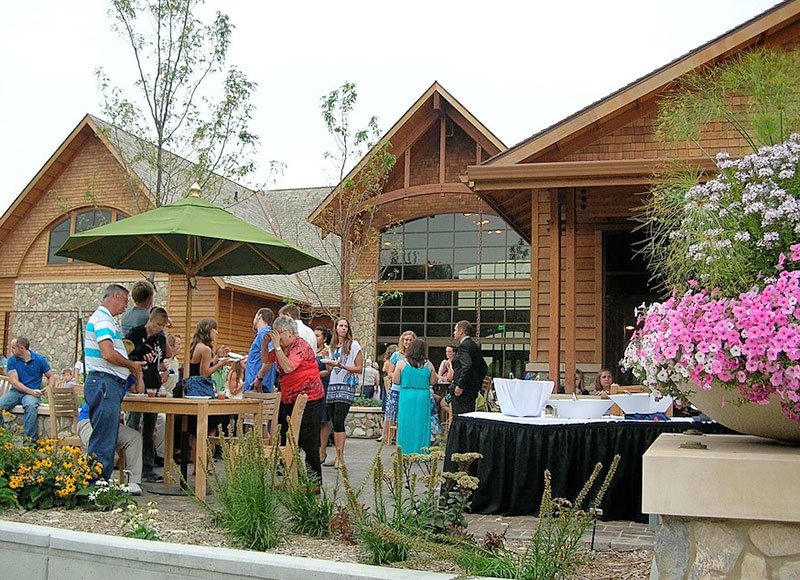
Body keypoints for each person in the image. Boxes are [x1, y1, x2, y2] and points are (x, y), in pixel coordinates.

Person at [84, 284, 145, 481]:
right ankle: (95, 484)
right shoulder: (102, 320)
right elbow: (108, 353)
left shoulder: (106, 320)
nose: (126, 307)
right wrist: (131, 365)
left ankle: (98, 482)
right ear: (116, 296)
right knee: (104, 439)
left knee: (107, 436)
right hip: (104, 384)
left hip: (106, 384)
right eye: (125, 301)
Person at [267, 315, 325, 483]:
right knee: (288, 440)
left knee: (308, 441)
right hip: (289, 399)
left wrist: (276, 347)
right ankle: (292, 480)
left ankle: (314, 482)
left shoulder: (300, 345)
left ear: (290, 332)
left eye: (279, 333)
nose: (277, 336)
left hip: (310, 399)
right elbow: (266, 359)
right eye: (275, 333)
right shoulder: (282, 348)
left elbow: (288, 366)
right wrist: (266, 344)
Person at [125, 307, 169, 483]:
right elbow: (127, 353)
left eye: (163, 325)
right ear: (151, 320)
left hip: (153, 382)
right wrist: (142, 352)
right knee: (133, 424)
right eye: (158, 324)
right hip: (136, 382)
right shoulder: (136, 333)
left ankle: (148, 468)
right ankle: (130, 466)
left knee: (150, 428)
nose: (160, 328)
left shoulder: (161, 338)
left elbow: (163, 358)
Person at [77, 396, 143, 495]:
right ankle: (85, 483)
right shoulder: (104, 382)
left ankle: (133, 482)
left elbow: (139, 389)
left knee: (134, 437)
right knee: (109, 454)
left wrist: (137, 379)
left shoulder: (125, 382)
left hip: (110, 423)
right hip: (89, 421)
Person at [324, 317, 363, 466]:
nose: (343, 328)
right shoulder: (333, 347)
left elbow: (359, 368)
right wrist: (328, 361)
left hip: (346, 385)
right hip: (333, 384)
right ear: (335, 328)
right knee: (334, 421)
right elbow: (330, 370)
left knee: (339, 420)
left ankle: (340, 457)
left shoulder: (353, 345)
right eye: (340, 325)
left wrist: (341, 365)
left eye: (345, 326)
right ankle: (336, 455)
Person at [0, 337, 54, 440]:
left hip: (31, 395)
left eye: (13, 348)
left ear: (21, 348)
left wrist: (49, 388)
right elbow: (15, 382)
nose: (11, 350)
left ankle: (30, 443)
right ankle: (2, 438)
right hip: (16, 392)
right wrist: (32, 391)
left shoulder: (39, 360)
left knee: (31, 406)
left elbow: (50, 375)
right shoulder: (12, 360)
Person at [393, 339, 437, 455]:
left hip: (407, 395)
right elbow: (433, 381)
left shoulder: (402, 363)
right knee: (421, 423)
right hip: (423, 395)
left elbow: (396, 381)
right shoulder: (429, 364)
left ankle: (404, 451)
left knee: (405, 423)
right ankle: (421, 451)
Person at [380, 331, 416, 443]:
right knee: (391, 413)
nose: (408, 342)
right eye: (406, 340)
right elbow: (390, 373)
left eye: (410, 340)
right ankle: (387, 436)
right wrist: (400, 376)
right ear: (402, 341)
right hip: (397, 388)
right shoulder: (396, 355)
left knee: (407, 415)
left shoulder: (415, 356)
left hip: (410, 389)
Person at [450, 320, 487, 416]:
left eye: (455, 330)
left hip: (462, 392)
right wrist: (476, 385)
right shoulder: (474, 345)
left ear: (461, 332)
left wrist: (461, 386)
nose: (454, 333)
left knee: (460, 418)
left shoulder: (463, 346)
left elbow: (467, 366)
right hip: (471, 390)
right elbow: (483, 367)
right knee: (469, 416)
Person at [314, 326, 333, 466]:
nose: (315, 338)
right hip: (309, 386)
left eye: (318, 336)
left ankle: (323, 450)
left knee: (323, 419)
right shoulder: (309, 348)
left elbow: (329, 370)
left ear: (324, 338)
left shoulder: (327, 351)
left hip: (323, 386)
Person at [244, 308, 276, 393]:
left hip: (257, 386)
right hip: (258, 384)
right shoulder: (263, 334)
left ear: (259, 316)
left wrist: (259, 378)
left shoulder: (264, 334)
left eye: (255, 316)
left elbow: (270, 356)